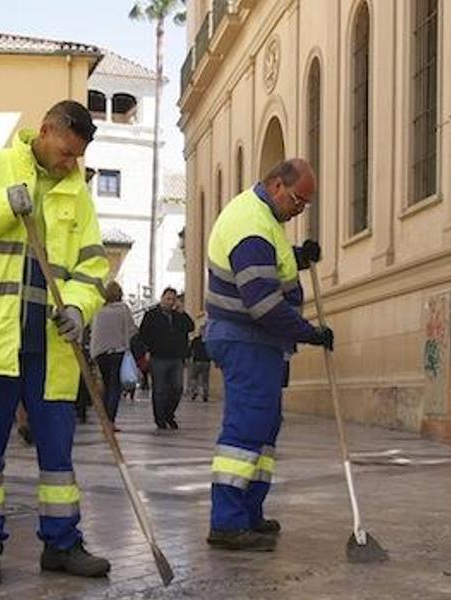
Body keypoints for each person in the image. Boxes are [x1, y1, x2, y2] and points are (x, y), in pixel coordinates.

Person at [0, 99, 111, 585]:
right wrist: (2, 205)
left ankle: (62, 543)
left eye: (77, 156)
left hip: (51, 347)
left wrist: (78, 308)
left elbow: (93, 266)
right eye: (67, 152)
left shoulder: (77, 194)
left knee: (58, 457)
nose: (71, 163)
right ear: (46, 130)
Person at [203, 158, 333, 551]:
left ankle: (248, 511)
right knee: (246, 428)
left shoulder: (263, 219)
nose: (300, 209)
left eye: (306, 204)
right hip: (247, 340)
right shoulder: (252, 226)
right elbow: (262, 303)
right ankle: (227, 522)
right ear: (277, 185)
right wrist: (309, 333)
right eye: (297, 200)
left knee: (263, 426)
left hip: (257, 342)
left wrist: (299, 256)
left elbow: (269, 263)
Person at [139, 286, 193, 430]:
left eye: (173, 299)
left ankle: (169, 414)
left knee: (177, 388)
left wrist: (183, 312)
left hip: (176, 357)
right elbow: (143, 334)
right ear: (162, 298)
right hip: (158, 357)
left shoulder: (178, 316)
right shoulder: (151, 315)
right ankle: (160, 419)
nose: (170, 302)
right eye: (168, 299)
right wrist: (147, 350)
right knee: (159, 390)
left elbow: (191, 327)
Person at [90, 280, 137, 425]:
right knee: (114, 387)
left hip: (101, 353)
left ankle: (105, 418)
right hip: (118, 352)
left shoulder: (99, 309)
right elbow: (131, 329)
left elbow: (95, 332)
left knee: (106, 385)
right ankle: (110, 420)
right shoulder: (123, 309)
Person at [188, 326, 211, 401]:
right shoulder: (208, 340)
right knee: (205, 379)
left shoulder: (195, 340)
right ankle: (205, 394)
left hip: (196, 361)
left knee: (194, 378)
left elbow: (190, 350)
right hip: (206, 362)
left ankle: (194, 391)